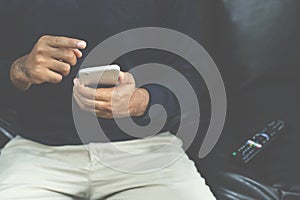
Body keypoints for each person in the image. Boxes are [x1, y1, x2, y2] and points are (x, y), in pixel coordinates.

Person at [0, 1, 215, 199]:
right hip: (38, 152)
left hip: (145, 150)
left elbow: (193, 74)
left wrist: (141, 100)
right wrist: (19, 70)